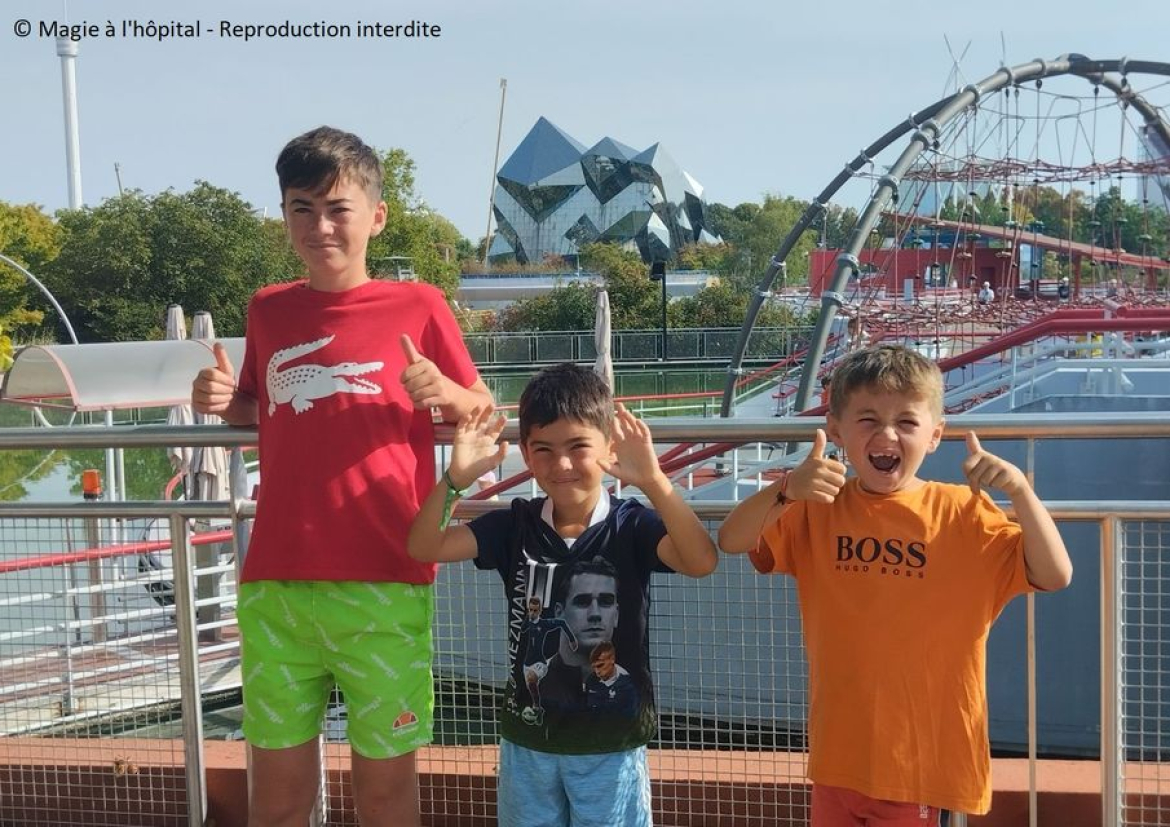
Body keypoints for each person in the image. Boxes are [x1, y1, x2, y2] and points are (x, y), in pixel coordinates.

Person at [191, 126, 493, 827]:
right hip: (277, 583)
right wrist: (221, 400)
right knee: (278, 797)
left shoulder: (420, 305)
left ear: (376, 216)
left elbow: (483, 410)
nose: (318, 225)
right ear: (284, 215)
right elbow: (259, 409)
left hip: (385, 578)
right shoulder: (268, 307)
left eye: (337, 208)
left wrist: (442, 390)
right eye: (301, 207)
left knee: (385, 795)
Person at [719, 345, 1072, 825]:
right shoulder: (817, 507)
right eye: (868, 420)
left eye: (906, 422)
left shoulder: (964, 512)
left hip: (921, 765)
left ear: (934, 436)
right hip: (838, 757)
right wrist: (785, 490)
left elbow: (1054, 574)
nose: (887, 434)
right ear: (837, 431)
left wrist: (1020, 492)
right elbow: (733, 539)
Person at [407, 362, 718, 826]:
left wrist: (653, 480)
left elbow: (701, 561)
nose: (562, 465)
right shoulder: (514, 525)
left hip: (610, 743)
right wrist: (455, 480)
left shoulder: (631, 525)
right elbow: (423, 546)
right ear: (528, 457)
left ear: (609, 446)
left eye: (578, 447)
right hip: (529, 742)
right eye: (545, 450)